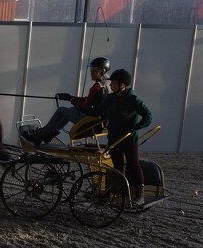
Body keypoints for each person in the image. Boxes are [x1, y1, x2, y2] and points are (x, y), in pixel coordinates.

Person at [87, 68, 153, 207]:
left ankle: (139, 195)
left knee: (133, 164)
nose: (110, 85)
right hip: (114, 139)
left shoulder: (133, 99)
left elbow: (148, 116)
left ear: (122, 84)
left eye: (114, 83)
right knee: (117, 167)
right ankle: (120, 193)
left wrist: (136, 127)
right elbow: (98, 110)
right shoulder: (110, 98)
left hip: (129, 139)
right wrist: (77, 105)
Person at [25, 56, 111, 144]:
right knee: (71, 109)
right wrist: (70, 97)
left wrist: (72, 100)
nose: (91, 73)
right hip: (100, 122)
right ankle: (50, 133)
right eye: (91, 70)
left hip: (90, 122)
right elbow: (89, 99)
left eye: (94, 71)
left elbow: (86, 105)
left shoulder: (96, 86)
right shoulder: (108, 84)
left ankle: (41, 135)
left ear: (102, 71)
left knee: (61, 110)